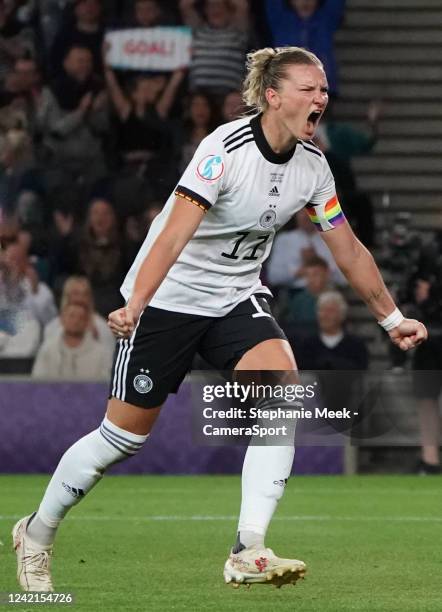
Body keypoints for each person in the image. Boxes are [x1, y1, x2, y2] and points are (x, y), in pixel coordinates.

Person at [12, 46, 427, 592]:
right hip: (169, 299)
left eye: (324, 89)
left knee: (283, 393)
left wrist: (390, 316)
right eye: (309, 88)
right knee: (122, 438)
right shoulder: (223, 150)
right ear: (274, 96)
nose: (321, 98)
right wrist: (137, 300)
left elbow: (347, 249)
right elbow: (175, 230)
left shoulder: (314, 168)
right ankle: (37, 533)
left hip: (235, 297)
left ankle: (248, 548)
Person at [32, 300, 112, 380]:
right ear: (62, 319)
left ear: (87, 322)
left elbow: (105, 386)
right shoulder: (47, 349)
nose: (76, 321)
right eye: (71, 316)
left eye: (81, 317)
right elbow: (37, 383)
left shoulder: (102, 354)